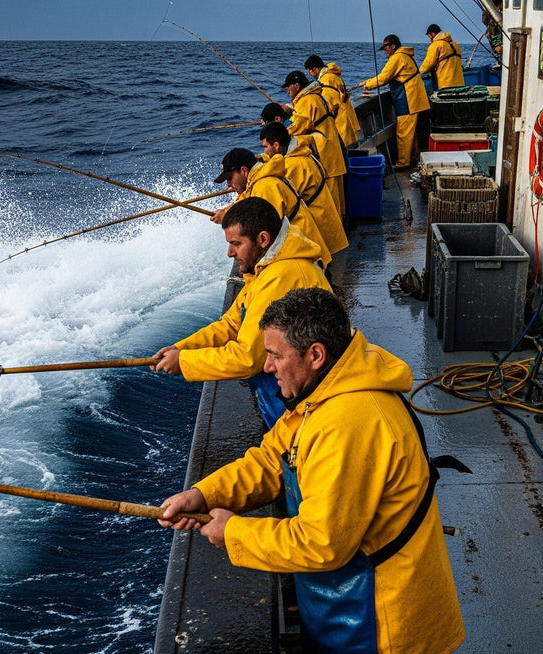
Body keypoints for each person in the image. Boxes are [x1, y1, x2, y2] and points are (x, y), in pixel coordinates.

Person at [160, 287, 465, 653]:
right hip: (354, 602)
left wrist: (235, 532)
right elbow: (274, 458)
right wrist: (205, 494)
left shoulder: (346, 424)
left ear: (316, 355)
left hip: (383, 622)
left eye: (274, 355)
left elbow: (321, 542)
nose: (267, 366)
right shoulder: (326, 390)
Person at [152, 198, 331, 429]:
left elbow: (248, 358)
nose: (229, 253)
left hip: (306, 401)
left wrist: (185, 363)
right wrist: (182, 348)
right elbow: (231, 324)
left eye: (236, 243)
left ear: (263, 239)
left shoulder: (281, 276)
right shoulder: (266, 269)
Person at [211, 147, 331, 266]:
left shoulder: (265, 187)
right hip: (302, 251)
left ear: (244, 171)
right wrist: (227, 212)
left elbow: (265, 230)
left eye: (230, 178)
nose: (228, 184)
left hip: (309, 258)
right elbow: (247, 200)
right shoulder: (259, 179)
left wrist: (228, 217)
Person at [259, 121, 348, 259]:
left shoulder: (292, 165)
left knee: (326, 266)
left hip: (318, 222)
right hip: (327, 216)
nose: (264, 151)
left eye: (265, 147)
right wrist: (263, 158)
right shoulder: (301, 151)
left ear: (276, 145)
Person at [280, 70, 348, 219]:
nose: (287, 91)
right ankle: (343, 225)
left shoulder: (306, 101)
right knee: (338, 197)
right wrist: (290, 110)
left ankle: (337, 234)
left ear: (297, 86)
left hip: (325, 152)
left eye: (288, 87)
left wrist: (277, 127)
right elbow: (309, 117)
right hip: (333, 149)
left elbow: (299, 126)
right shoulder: (315, 96)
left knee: (331, 200)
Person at [363, 34, 431, 170]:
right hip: (417, 99)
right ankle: (414, 157)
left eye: (386, 48)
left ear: (393, 46)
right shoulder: (406, 56)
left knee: (403, 133)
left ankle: (403, 163)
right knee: (413, 133)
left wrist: (367, 84)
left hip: (408, 100)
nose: (385, 52)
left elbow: (383, 77)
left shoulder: (397, 57)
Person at [304, 54, 361, 149]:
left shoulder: (326, 80)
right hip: (347, 118)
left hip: (341, 124)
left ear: (314, 69)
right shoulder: (333, 75)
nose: (309, 74)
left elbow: (329, 105)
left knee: (347, 153)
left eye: (309, 71)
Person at [420, 23, 465, 91]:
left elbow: (428, 65)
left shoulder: (435, 45)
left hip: (446, 85)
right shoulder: (455, 45)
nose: (429, 39)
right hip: (460, 83)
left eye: (429, 36)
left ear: (432, 34)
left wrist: (418, 72)